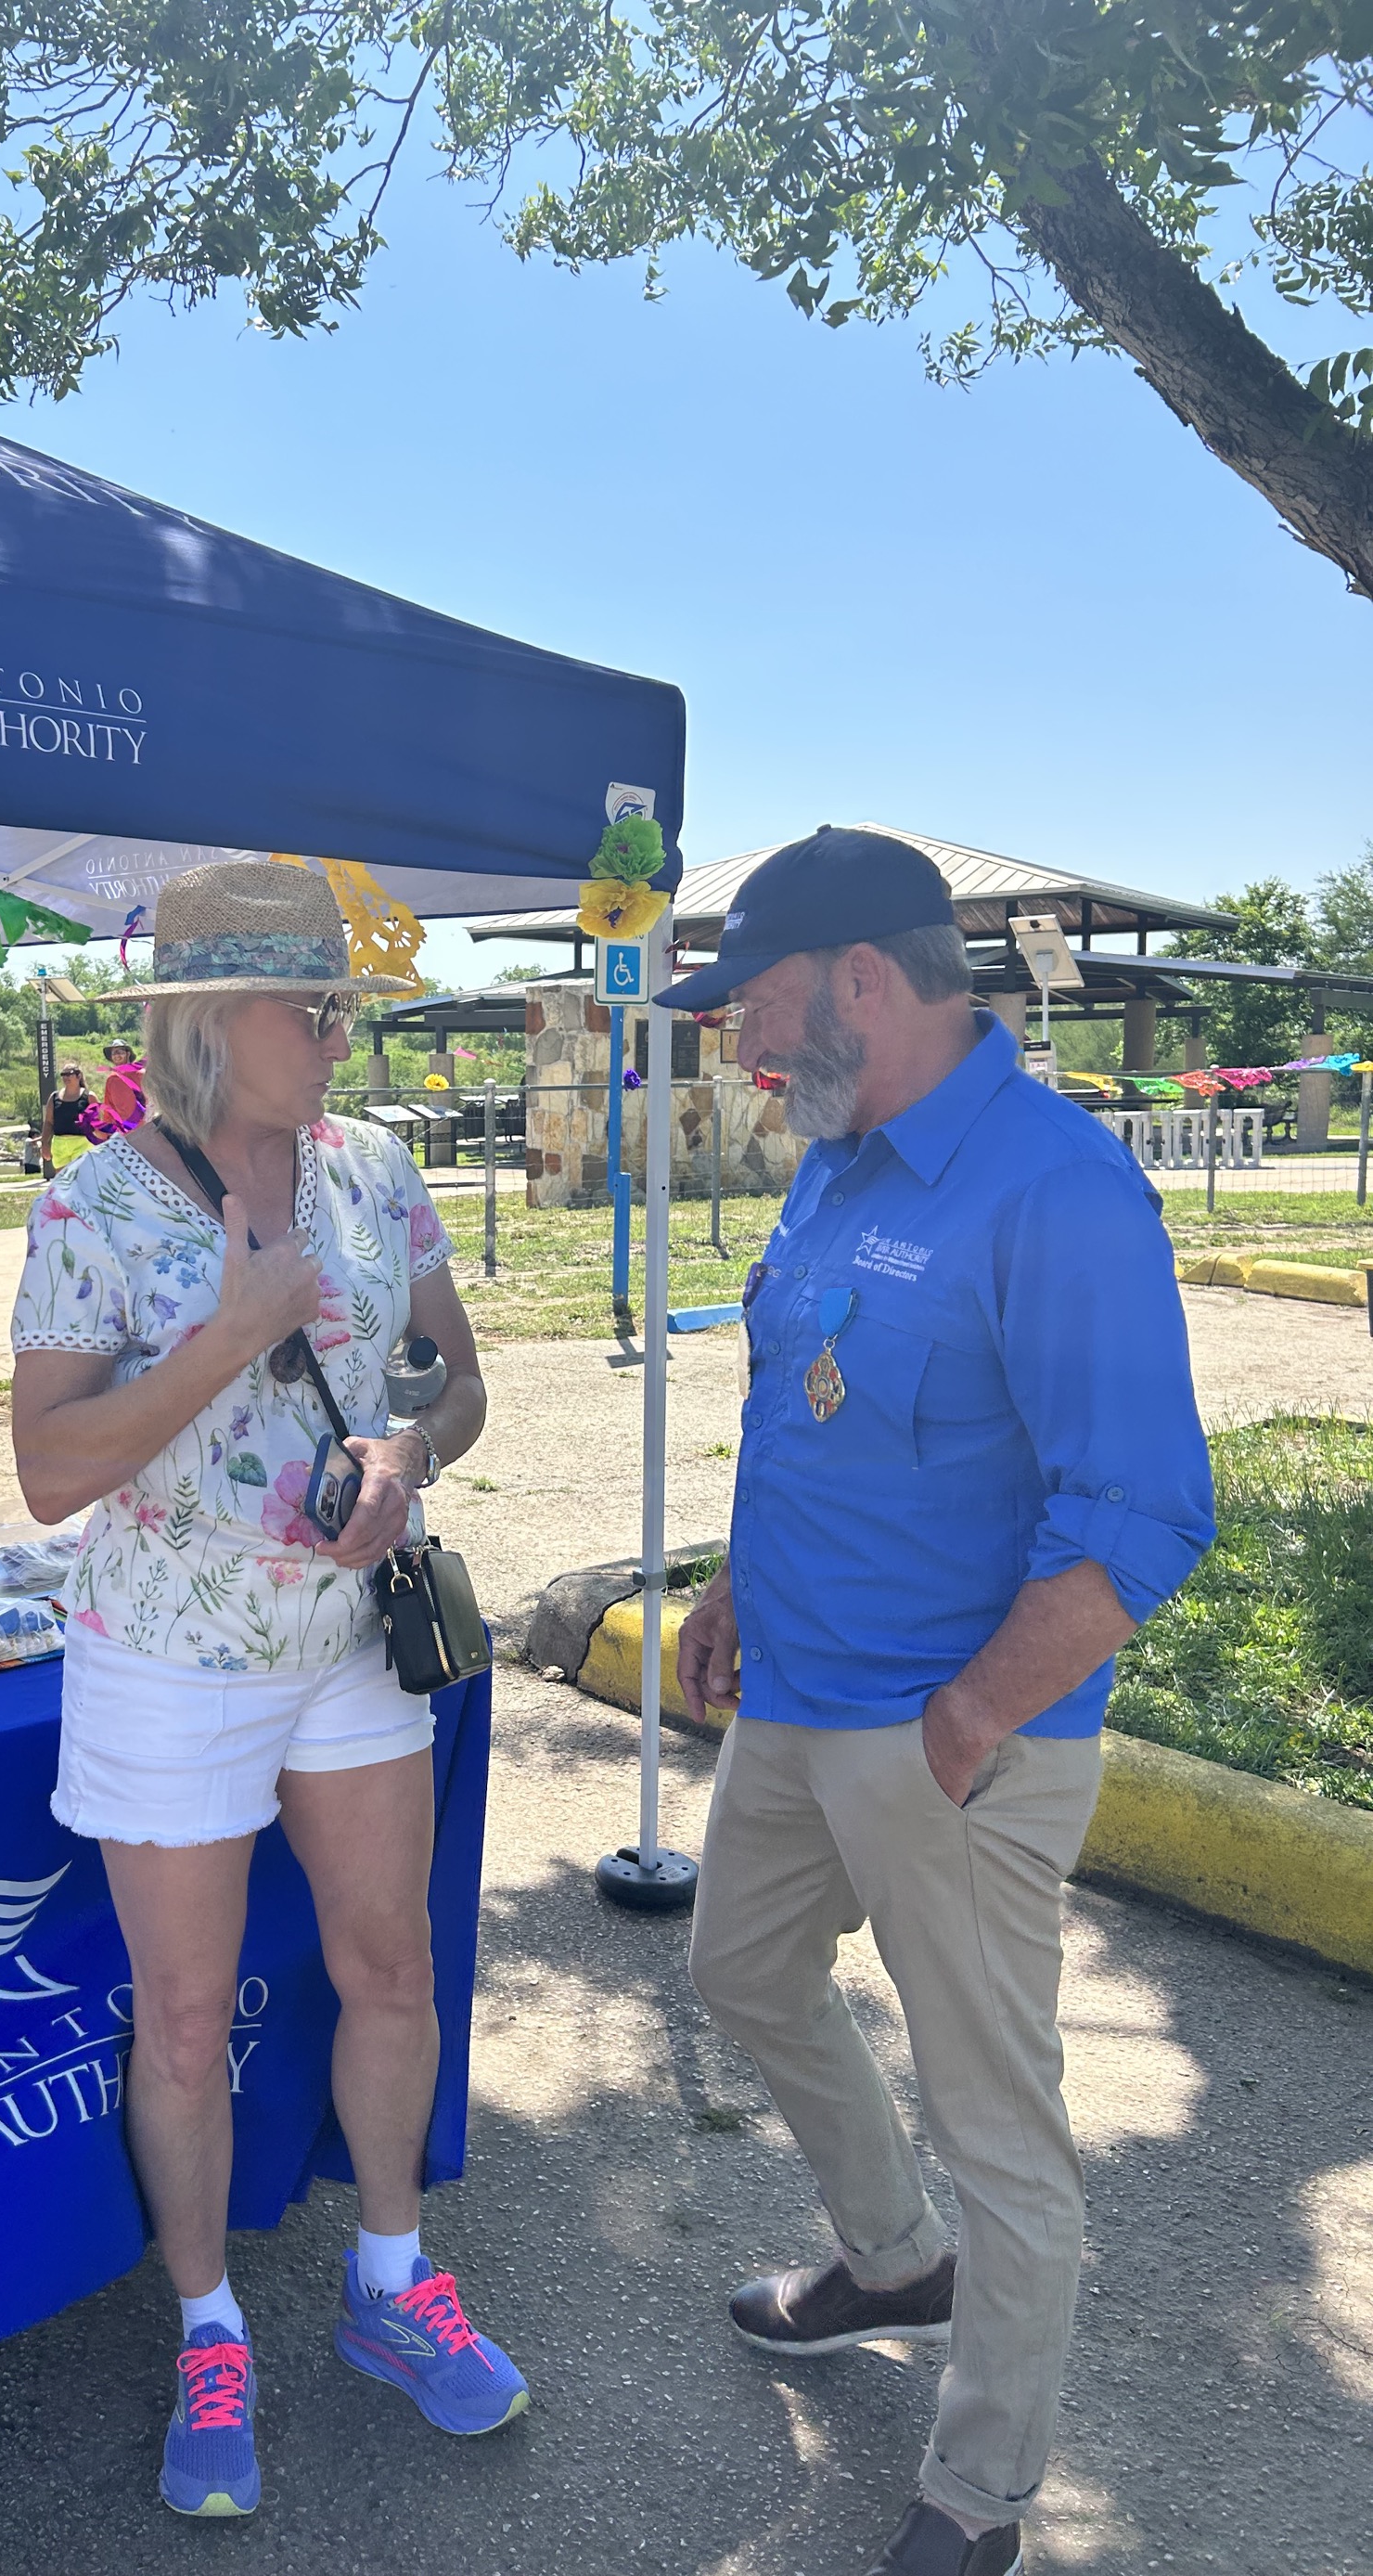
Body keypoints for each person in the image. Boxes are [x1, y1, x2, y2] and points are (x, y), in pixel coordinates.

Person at [659, 828, 1214, 2576]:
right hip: (796, 1699)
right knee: (736, 1972)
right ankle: (890, 2260)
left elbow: (1139, 1512)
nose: (739, 1045)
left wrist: (965, 1726)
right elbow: (802, 1396)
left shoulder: (1054, 1188)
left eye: (751, 1002)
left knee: (1002, 2125)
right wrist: (736, 1588)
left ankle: (976, 2491)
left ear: (863, 983)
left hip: (948, 1743)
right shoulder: (836, 1155)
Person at [10, 858, 527, 2520]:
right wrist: (230, 1336)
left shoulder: (374, 1170)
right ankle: (210, 2328)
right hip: (169, 1659)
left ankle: (391, 2282)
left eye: (339, 999)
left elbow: (447, 1377)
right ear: (198, 1021)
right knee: (180, 2015)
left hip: (348, 1651)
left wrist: (399, 1440)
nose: (332, 1029)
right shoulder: (95, 1205)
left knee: (390, 1962)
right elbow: (44, 1471)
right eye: (301, 1003)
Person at [40, 1061, 96, 1176]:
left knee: (81, 1178)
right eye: (63, 1075)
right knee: (63, 1182)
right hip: (60, 1144)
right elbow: (49, 1122)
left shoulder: (89, 1097)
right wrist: (45, 1144)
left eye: (69, 1074)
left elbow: (97, 1123)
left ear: (78, 1075)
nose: (66, 1077)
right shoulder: (54, 1097)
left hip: (82, 1143)